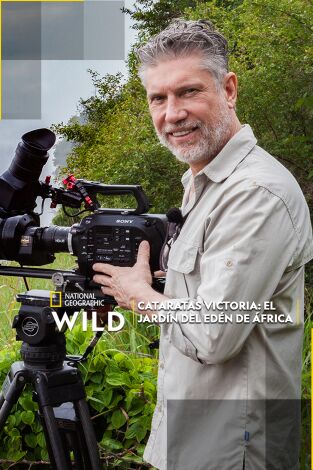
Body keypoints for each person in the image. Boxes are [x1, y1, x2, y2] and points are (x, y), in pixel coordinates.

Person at [93, 19, 313, 470]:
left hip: (236, 448)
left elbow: (214, 334)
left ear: (229, 89)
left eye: (189, 91)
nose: (172, 113)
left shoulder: (254, 192)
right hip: (197, 438)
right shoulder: (205, 184)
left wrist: (139, 297)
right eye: (159, 98)